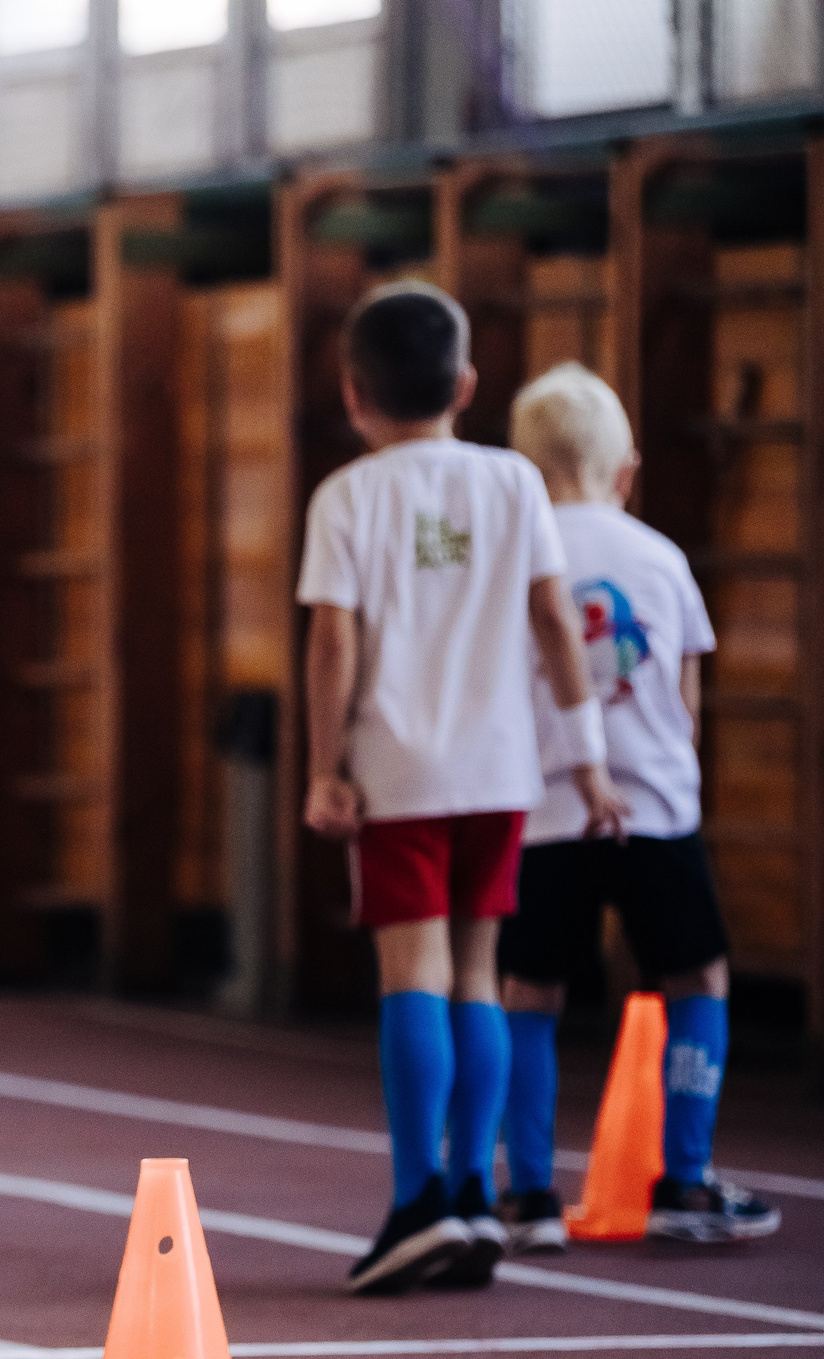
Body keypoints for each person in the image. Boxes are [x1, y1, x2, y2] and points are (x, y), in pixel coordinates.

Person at [298, 283, 625, 1298]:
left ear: (353, 395)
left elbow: (332, 639)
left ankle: (417, 1200)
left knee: (412, 976)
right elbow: (553, 620)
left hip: (399, 767)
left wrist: (323, 764)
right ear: (468, 385)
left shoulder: (349, 495)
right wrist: (588, 758)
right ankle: (475, 1192)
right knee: (476, 973)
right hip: (500, 767)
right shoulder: (514, 483)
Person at [498, 364, 776, 1246]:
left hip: (547, 811)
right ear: (627, 470)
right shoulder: (661, 559)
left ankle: (529, 1194)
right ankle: (683, 1179)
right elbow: (686, 704)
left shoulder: (520, 561)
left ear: (526, 470)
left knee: (529, 990)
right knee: (697, 976)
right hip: (653, 808)